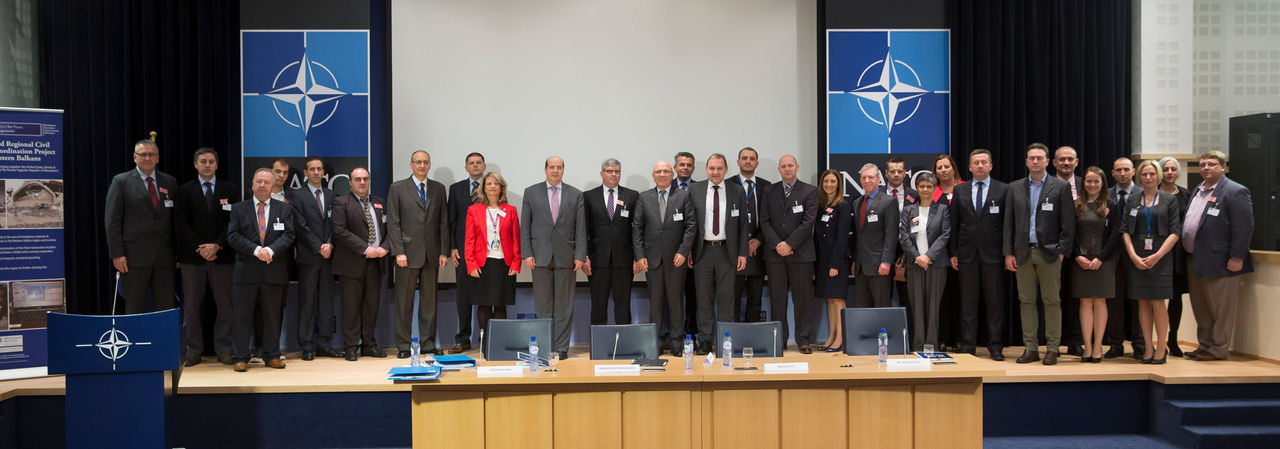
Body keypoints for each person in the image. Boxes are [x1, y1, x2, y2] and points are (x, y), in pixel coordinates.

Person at [1003, 142, 1075, 366]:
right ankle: (1030, 347)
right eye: (1031, 158)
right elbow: (1008, 224)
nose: (1035, 161)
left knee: (1052, 301)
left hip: (1050, 254)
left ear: (1047, 161)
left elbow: (1068, 223)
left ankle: (1052, 348)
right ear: (1026, 161)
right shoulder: (1014, 187)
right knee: (1026, 302)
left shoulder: (1060, 187)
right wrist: (1008, 253)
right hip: (1022, 253)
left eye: (1039, 158)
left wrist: (1062, 250)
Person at [1182, 151, 1252, 362]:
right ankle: (1204, 346)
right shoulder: (1198, 189)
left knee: (1221, 309)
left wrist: (1237, 256)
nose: (1206, 168)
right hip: (1195, 258)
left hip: (1222, 261)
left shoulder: (1235, 191)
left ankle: (1219, 348)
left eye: (1212, 164)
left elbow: (1244, 226)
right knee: (1201, 307)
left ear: (1223, 167)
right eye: (1202, 164)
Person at [226, 168, 296, 372]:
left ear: (273, 186)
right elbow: (232, 236)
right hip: (246, 272)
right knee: (241, 316)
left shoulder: (284, 209)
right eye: (259, 182)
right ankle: (240, 356)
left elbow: (289, 235)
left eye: (267, 182)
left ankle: (272, 355)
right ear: (252, 185)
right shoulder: (239, 209)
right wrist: (256, 250)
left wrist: (271, 250)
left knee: (272, 315)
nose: (262, 185)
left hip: (273, 271)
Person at [174, 147, 238, 366]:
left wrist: (217, 245)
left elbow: (233, 223)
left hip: (223, 258)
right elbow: (180, 224)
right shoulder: (183, 191)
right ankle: (193, 350)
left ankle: (224, 349)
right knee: (191, 308)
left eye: (211, 161)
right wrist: (200, 248)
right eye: (203, 161)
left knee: (226, 307)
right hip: (193, 259)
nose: (208, 165)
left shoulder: (230, 189)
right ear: (195, 164)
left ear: (217, 165)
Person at [520, 156, 587, 360]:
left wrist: (580, 255)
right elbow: (526, 226)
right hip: (539, 257)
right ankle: (545, 345)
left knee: (564, 306)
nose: (555, 171)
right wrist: (527, 253)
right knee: (543, 306)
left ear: (563, 170)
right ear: (545, 169)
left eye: (559, 168)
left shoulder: (576, 195)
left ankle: (561, 347)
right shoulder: (531, 192)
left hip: (566, 257)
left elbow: (580, 228)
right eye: (552, 167)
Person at [386, 150, 450, 358]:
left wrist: (443, 251)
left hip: (432, 255)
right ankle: (404, 345)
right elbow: (393, 223)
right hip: (406, 254)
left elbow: (443, 222)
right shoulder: (397, 188)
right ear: (411, 165)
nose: (422, 165)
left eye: (425, 162)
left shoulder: (438, 189)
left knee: (429, 303)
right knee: (404, 303)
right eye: (418, 162)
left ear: (429, 165)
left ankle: (428, 343)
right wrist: (398, 252)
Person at [104, 139, 178, 313]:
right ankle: (134, 340)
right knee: (134, 307)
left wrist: (177, 254)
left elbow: (175, 220)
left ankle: (162, 340)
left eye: (151, 154)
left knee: (165, 307)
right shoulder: (121, 181)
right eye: (143, 154)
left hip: (164, 258)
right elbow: (112, 221)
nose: (147, 158)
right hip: (132, 259)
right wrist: (117, 253)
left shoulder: (169, 182)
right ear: (134, 157)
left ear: (157, 158)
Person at [949, 149, 1009, 360]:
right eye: (976, 163)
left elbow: (1007, 225)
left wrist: (1007, 252)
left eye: (984, 162)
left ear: (991, 166)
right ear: (970, 167)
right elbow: (954, 223)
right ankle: (968, 345)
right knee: (968, 302)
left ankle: (995, 346)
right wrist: (953, 252)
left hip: (993, 255)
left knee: (994, 303)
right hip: (966, 255)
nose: (980, 166)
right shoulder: (960, 190)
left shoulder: (1003, 190)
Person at [633, 161, 697, 355]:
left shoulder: (683, 196)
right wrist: (639, 256)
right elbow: (637, 229)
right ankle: (656, 343)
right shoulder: (644, 198)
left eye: (666, 171)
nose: (662, 174)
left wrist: (683, 252)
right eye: (658, 172)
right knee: (656, 303)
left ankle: (677, 343)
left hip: (676, 259)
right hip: (651, 260)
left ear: (672, 174)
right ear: (653, 175)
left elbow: (691, 227)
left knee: (676, 302)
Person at [1121, 160, 1181, 364]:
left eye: (1152, 174)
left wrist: (1157, 256)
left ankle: (1161, 347)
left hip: (1161, 257)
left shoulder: (1169, 200)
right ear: (1139, 176)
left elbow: (1175, 232)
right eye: (1144, 174)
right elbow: (1125, 231)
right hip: (1137, 256)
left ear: (1158, 176)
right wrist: (1133, 256)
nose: (1148, 178)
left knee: (1158, 303)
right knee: (1143, 303)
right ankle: (1148, 346)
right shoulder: (1133, 200)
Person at [688, 154, 748, 354]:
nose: (715, 172)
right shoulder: (694, 189)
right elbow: (689, 223)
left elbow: (743, 225)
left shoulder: (737, 191)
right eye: (712, 168)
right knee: (703, 299)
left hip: (727, 252)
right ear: (706, 169)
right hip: (702, 251)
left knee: (727, 299)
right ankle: (704, 340)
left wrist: (743, 253)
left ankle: (725, 340)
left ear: (726, 169)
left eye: (719, 168)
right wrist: (687, 249)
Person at [759, 155, 818, 353]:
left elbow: (808, 222)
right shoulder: (769, 191)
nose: (787, 169)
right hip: (775, 256)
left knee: (802, 299)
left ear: (797, 167)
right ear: (779, 169)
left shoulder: (809, 191)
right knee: (778, 299)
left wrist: (790, 244)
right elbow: (764, 222)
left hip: (801, 254)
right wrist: (778, 245)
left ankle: (803, 340)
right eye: (783, 166)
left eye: (790, 165)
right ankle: (779, 340)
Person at [286, 156, 342, 361]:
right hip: (309, 257)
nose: (317, 172)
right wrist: (318, 246)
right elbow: (300, 225)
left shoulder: (332, 194)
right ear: (306, 173)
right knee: (307, 302)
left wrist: (330, 243)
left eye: (319, 169)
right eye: (312, 169)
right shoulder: (296, 195)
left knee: (327, 302)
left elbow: (336, 224)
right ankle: (307, 346)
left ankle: (324, 344)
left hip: (329, 257)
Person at [331, 167, 390, 361]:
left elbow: (390, 229)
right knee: (351, 307)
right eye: (358, 179)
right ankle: (350, 347)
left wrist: (386, 247)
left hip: (377, 262)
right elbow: (340, 231)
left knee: (371, 306)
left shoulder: (379, 202)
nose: (362, 182)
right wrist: (365, 248)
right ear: (350, 182)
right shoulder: (341, 203)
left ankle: (369, 345)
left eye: (365, 179)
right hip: (352, 263)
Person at [1070, 167, 1121, 363]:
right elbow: (1070, 234)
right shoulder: (1076, 205)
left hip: (1103, 261)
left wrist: (1101, 258)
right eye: (1088, 181)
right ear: (1083, 183)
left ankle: (1098, 346)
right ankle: (1087, 347)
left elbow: (1116, 233)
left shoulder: (1111, 205)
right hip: (1081, 261)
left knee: (1100, 301)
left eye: (1096, 181)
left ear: (1102, 184)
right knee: (1085, 302)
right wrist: (1077, 256)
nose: (1092, 185)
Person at [465, 172, 521, 340]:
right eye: (489, 183)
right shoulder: (474, 210)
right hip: (482, 265)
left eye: (496, 183)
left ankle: (498, 342)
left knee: (500, 305)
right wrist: (471, 264)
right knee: (483, 305)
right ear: (483, 187)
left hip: (504, 264)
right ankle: (485, 342)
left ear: (501, 187)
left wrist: (516, 263)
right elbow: (469, 240)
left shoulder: (510, 210)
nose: (492, 186)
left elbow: (516, 239)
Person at [898, 173, 951, 351]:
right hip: (915, 265)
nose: (925, 189)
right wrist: (917, 257)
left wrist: (928, 256)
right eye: (922, 186)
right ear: (917, 189)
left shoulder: (943, 209)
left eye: (929, 186)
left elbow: (945, 235)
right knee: (917, 306)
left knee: (934, 306)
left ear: (934, 188)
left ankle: (931, 345)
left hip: (936, 264)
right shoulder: (909, 210)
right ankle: (919, 344)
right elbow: (904, 237)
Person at [583, 158, 639, 325]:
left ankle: (623, 345)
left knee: (623, 305)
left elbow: (637, 229)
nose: (613, 174)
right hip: (598, 260)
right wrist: (584, 256)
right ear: (602, 173)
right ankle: (600, 344)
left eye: (617, 171)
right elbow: (583, 229)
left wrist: (637, 256)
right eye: (609, 171)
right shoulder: (588, 196)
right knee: (598, 305)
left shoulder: (632, 196)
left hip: (624, 260)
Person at [1104, 157, 1145, 360]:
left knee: (1138, 301)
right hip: (1112, 257)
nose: (1122, 173)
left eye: (1126, 169)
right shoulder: (1105, 195)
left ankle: (1139, 343)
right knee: (1114, 302)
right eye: (1118, 170)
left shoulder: (1143, 194)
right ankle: (1115, 344)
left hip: (1138, 256)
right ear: (1112, 173)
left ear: (1133, 171)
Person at [447, 152, 486, 353]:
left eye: (479, 162)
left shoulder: (492, 186)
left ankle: (486, 340)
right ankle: (463, 338)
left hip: (487, 252)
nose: (475, 165)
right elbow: (451, 220)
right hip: (463, 252)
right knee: (463, 297)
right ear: (466, 167)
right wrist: (452, 247)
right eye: (471, 163)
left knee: (485, 297)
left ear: (484, 166)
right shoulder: (456, 189)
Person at [727, 147, 771, 322]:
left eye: (752, 158)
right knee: (733, 297)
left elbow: (770, 218)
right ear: (738, 162)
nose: (748, 161)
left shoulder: (766, 186)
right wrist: (741, 245)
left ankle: (752, 335)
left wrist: (758, 241)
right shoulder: (728, 185)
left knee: (755, 296)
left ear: (756, 163)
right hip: (734, 249)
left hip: (758, 249)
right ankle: (735, 334)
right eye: (744, 158)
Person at [849, 163, 899, 308]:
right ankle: (866, 332)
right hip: (861, 266)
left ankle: (883, 332)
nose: (867, 180)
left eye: (871, 177)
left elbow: (891, 235)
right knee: (862, 307)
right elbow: (859, 236)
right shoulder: (857, 202)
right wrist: (855, 261)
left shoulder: (889, 202)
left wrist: (886, 261)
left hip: (880, 266)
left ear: (878, 179)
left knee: (882, 306)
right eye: (864, 177)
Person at [1157, 156, 1191, 357]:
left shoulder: (1186, 195)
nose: (1169, 172)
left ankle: (1173, 338)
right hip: (1155, 252)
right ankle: (1154, 339)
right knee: (1154, 298)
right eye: (1166, 169)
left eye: (1173, 169)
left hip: (1178, 254)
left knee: (1176, 298)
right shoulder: (1152, 194)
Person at [814, 169, 851, 352]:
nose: (829, 184)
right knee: (829, 300)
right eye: (826, 181)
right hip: (823, 260)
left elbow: (842, 238)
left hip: (837, 262)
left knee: (838, 299)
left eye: (832, 181)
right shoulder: (822, 205)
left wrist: (835, 264)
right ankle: (831, 336)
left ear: (838, 184)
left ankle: (840, 339)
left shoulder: (842, 206)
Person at [1054, 145, 1085, 357]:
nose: (1066, 162)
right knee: (1052, 297)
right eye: (1062, 159)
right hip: (1052, 250)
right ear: (1054, 163)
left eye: (1070, 159)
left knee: (1076, 297)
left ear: (1076, 161)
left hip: (1080, 252)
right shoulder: (1045, 185)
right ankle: (1052, 341)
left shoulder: (1087, 185)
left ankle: (1075, 340)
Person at [931, 154, 964, 351]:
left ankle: (960, 339)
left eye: (946, 166)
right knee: (941, 300)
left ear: (953, 169)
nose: (943, 170)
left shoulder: (965, 189)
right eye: (939, 167)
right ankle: (942, 338)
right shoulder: (930, 193)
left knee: (961, 298)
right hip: (938, 255)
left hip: (962, 254)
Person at [882, 157, 917, 329]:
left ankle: (908, 338)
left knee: (907, 297)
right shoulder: (878, 194)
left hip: (907, 251)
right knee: (883, 296)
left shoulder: (914, 195)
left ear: (905, 173)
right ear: (886, 173)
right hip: (883, 252)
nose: (896, 175)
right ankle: (885, 336)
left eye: (899, 171)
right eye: (892, 171)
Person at [674, 151, 699, 337]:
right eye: (682, 164)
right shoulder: (665, 186)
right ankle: (672, 333)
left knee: (693, 294)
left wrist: (689, 249)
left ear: (694, 168)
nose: (685, 167)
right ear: (675, 167)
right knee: (672, 297)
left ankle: (692, 333)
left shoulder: (700, 188)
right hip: (671, 252)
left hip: (696, 252)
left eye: (689, 165)